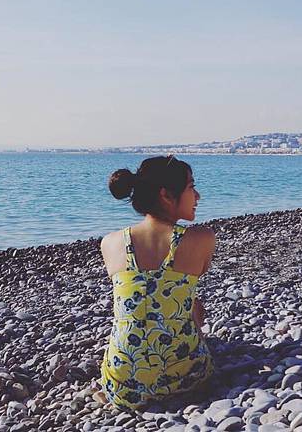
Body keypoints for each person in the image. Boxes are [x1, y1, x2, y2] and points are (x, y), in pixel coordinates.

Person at [98, 155, 215, 411]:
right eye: (191, 187)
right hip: (188, 379)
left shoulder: (110, 242)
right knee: (191, 304)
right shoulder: (202, 238)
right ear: (166, 195)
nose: (198, 196)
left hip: (122, 386)